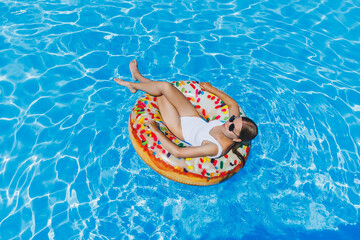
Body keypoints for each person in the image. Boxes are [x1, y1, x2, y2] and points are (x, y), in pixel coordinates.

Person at [115, 60, 258, 159]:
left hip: (179, 127)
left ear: (237, 138)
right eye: (233, 119)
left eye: (232, 126)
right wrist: (211, 88)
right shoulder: (231, 125)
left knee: (160, 94)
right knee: (165, 87)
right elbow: (233, 104)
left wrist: (156, 131)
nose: (228, 122)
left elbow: (178, 152)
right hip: (192, 116)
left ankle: (135, 81)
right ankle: (137, 78)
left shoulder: (215, 147)